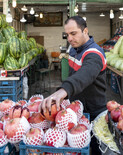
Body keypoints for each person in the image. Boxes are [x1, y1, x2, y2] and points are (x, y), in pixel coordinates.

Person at [40, 16, 107, 154]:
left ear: (85, 31)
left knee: (95, 148)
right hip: (76, 111)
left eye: (74, 33)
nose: (70, 38)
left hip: (94, 112)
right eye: (67, 35)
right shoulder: (73, 50)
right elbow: (73, 75)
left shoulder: (94, 54)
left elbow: (84, 75)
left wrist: (64, 89)